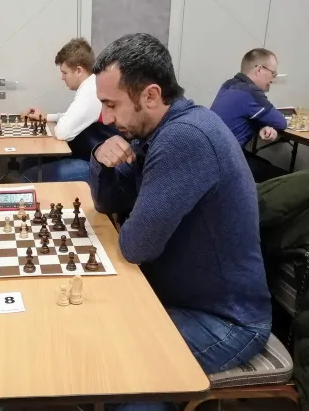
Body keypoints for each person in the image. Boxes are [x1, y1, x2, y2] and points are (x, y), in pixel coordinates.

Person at [90, 34, 271, 411]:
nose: (106, 119)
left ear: (151, 95)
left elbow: (135, 246)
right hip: (178, 298)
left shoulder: (184, 138)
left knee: (111, 360)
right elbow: (108, 202)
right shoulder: (155, 130)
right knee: (94, 334)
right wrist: (100, 157)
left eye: (111, 105)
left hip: (225, 321)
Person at [19, 38, 118, 182]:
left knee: (29, 176)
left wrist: (57, 122)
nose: (62, 78)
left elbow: (62, 132)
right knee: (28, 163)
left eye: (64, 73)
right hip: (87, 153)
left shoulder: (90, 92)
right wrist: (47, 117)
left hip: (98, 164)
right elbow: (74, 117)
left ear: (79, 70)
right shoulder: (91, 85)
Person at [211, 48, 286, 147]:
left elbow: (244, 115)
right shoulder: (251, 92)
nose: (272, 80)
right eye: (273, 74)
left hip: (210, 149)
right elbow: (281, 123)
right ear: (259, 70)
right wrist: (266, 126)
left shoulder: (228, 84)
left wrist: (262, 127)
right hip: (225, 154)